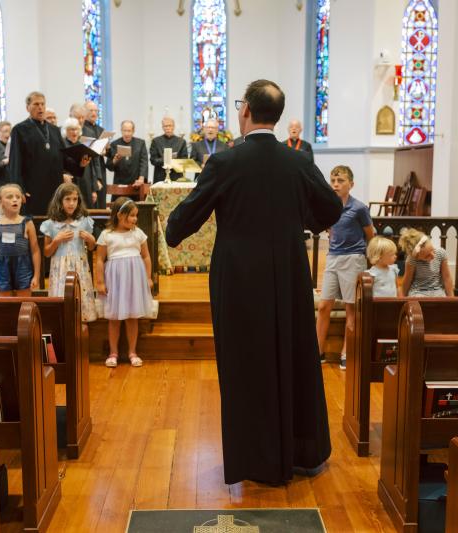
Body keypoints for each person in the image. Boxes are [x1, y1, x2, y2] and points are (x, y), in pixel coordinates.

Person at [165, 79, 341, 486]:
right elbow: (330, 208)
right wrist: (304, 222)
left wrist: (173, 229)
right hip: (289, 274)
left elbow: (183, 221)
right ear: (277, 117)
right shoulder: (297, 161)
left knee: (245, 365)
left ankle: (256, 459)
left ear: (245, 111)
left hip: (239, 278)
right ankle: (300, 452)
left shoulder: (226, 162)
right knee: (292, 354)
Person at [316, 165, 375, 370]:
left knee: (352, 308)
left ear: (351, 184)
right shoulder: (329, 205)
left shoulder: (359, 208)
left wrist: (366, 259)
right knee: (324, 306)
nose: (335, 184)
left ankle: (345, 353)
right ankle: (318, 352)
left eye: (340, 181)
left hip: (353, 258)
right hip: (333, 257)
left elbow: (370, 234)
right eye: (333, 180)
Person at [95, 197, 154, 368]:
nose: (135, 219)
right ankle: (113, 353)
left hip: (134, 278)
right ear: (120, 215)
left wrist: (148, 278)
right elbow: (99, 259)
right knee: (114, 317)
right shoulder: (107, 235)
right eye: (132, 216)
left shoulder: (138, 233)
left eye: (136, 216)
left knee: (132, 316)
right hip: (115, 278)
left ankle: (132, 352)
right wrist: (100, 281)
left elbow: (146, 256)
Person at [9, 91, 89, 215]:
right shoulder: (20, 130)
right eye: (36, 104)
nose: (40, 107)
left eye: (42, 104)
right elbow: (15, 162)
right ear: (27, 108)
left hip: (55, 188)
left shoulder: (54, 130)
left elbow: (64, 158)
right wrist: (19, 189)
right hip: (33, 188)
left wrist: (80, 165)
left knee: (56, 224)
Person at [40, 183, 98, 322]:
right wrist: (56, 241)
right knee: (62, 301)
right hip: (60, 269)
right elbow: (47, 253)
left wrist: (91, 240)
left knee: (80, 298)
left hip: (80, 267)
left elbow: (91, 248)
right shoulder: (51, 224)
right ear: (59, 201)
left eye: (75, 199)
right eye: (67, 199)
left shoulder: (84, 221)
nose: (72, 203)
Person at [0, 184, 41, 296]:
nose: (15, 199)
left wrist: (36, 276)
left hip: (23, 267)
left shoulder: (27, 223)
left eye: (18, 197)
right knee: (6, 305)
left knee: (24, 303)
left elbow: (35, 250)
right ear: (0, 202)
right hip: (3, 268)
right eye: (9, 197)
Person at [399, 228, 454, 297]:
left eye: (432, 250)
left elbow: (447, 278)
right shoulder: (412, 260)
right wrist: (402, 299)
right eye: (427, 256)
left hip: (437, 290)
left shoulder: (441, 253)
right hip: (418, 291)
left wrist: (451, 298)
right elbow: (407, 281)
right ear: (417, 257)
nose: (433, 255)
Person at [62, 117, 99, 208]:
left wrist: (93, 190)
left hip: (85, 185)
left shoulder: (83, 146)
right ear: (65, 131)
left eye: (76, 129)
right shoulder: (62, 146)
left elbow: (91, 169)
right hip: (70, 184)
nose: (74, 132)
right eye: (71, 129)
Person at [105, 120, 148, 199]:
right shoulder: (114, 144)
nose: (126, 133)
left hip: (136, 183)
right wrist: (115, 160)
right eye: (124, 130)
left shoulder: (140, 143)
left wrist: (141, 178)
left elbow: (144, 162)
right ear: (121, 130)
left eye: (129, 131)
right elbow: (109, 166)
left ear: (133, 131)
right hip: (120, 184)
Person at [83, 101, 108, 208]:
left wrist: (107, 149)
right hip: (89, 167)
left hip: (100, 168)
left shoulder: (101, 130)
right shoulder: (83, 129)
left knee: (101, 199)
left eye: (96, 111)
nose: (94, 113)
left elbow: (108, 153)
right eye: (91, 110)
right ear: (84, 112)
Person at [150, 117, 188, 183]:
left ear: (174, 126)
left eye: (170, 125)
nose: (168, 128)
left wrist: (172, 162)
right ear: (162, 127)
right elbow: (153, 160)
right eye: (165, 126)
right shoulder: (156, 141)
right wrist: (165, 159)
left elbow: (184, 159)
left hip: (177, 176)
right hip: (160, 176)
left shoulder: (181, 141)